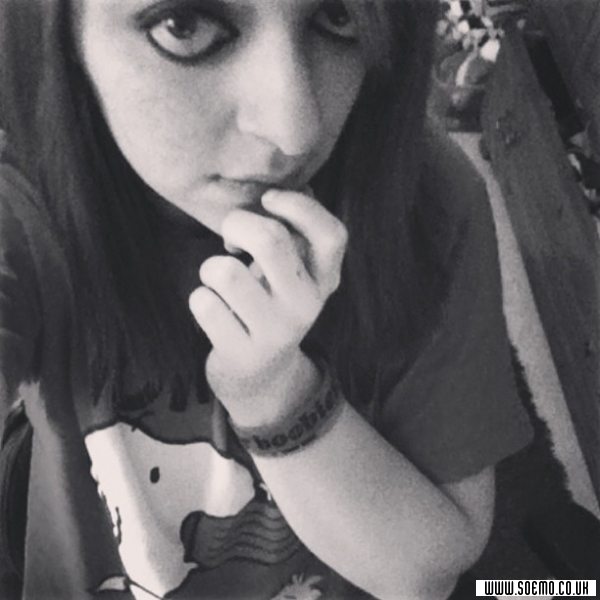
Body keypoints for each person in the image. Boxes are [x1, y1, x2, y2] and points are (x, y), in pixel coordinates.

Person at [0, 0, 533, 598]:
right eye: (185, 27)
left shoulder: (432, 202)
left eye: (340, 18)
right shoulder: (24, 201)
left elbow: (426, 574)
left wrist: (274, 392)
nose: (294, 128)